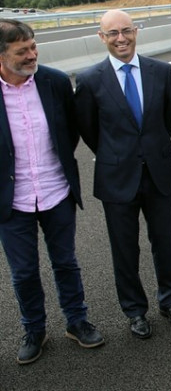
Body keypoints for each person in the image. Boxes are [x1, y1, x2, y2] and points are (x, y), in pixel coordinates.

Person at [75, 9, 171, 339]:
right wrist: (117, 155)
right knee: (125, 249)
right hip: (116, 178)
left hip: (158, 172)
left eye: (126, 30)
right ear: (102, 38)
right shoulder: (89, 80)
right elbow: (89, 130)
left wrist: (147, 150)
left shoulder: (162, 72)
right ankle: (135, 311)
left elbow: (166, 121)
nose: (121, 38)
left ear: (136, 31)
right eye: (113, 33)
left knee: (164, 242)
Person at [0, 19, 104, 364]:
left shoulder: (55, 82)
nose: (33, 55)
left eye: (33, 47)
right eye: (22, 51)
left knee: (66, 262)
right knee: (24, 271)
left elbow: (70, 132)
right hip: (11, 201)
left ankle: (77, 321)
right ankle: (34, 329)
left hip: (56, 190)